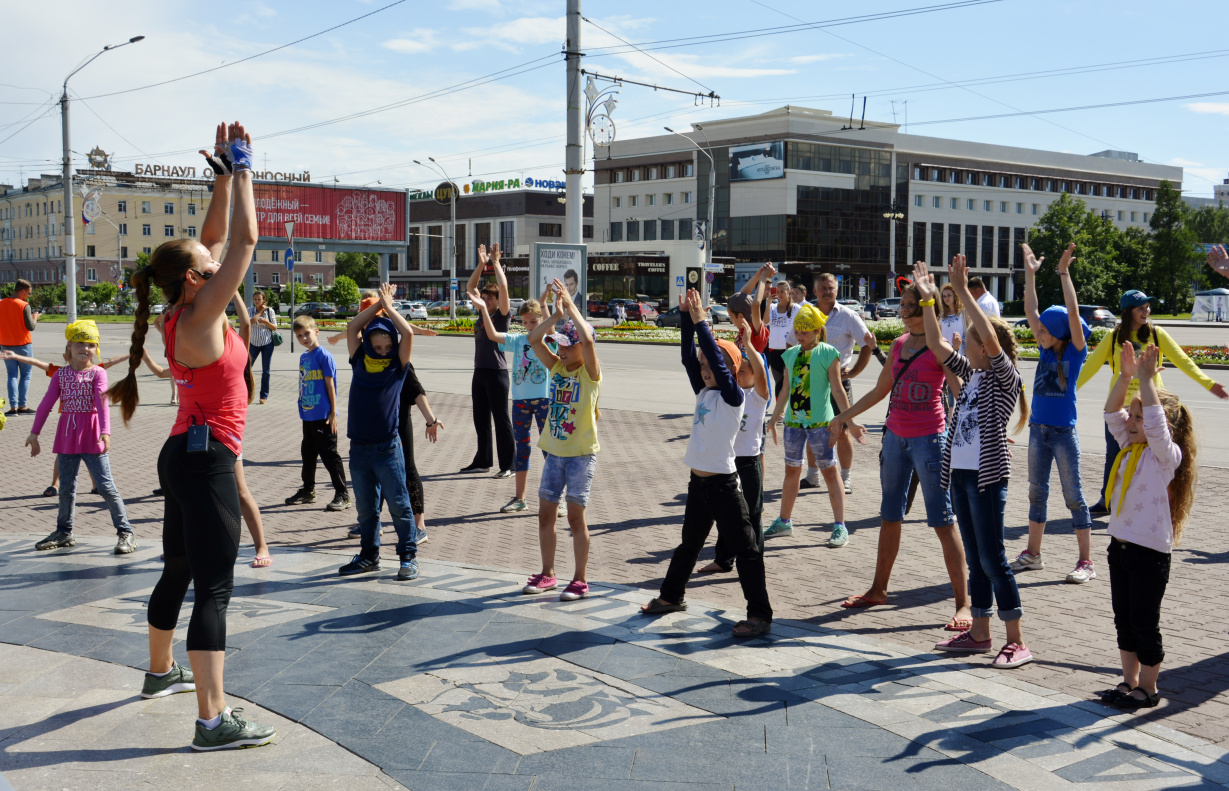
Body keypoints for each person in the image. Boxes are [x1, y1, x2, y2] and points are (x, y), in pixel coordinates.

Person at [107, 121, 276, 750]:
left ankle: (160, 674)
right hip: (205, 463)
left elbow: (212, 238)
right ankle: (213, 721)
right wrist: (249, 167)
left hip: (181, 455)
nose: (214, 258)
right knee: (214, 587)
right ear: (196, 279)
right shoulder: (202, 312)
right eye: (207, 264)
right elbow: (245, 239)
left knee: (178, 568)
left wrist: (223, 179)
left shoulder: (179, 309)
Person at [829, 282, 973, 632]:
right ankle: (878, 590)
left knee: (943, 520)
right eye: (903, 305)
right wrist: (843, 417)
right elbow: (881, 390)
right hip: (895, 439)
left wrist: (972, 439)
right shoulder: (897, 345)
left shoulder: (939, 349)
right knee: (890, 515)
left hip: (930, 441)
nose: (903, 311)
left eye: (911, 305)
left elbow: (961, 396)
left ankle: (964, 603)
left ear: (929, 309)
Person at [915, 259, 1033, 668]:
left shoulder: (1004, 377)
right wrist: (929, 300)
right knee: (979, 557)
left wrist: (964, 292)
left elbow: (990, 339)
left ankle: (1016, 640)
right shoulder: (971, 376)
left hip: (987, 480)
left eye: (970, 341)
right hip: (962, 478)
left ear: (987, 347)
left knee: (994, 558)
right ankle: (981, 633)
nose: (963, 345)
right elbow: (936, 345)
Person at [641, 289, 773, 637]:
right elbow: (689, 358)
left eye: (710, 365)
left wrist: (702, 323)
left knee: (746, 549)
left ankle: (760, 615)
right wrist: (686, 317)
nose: (704, 370)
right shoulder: (705, 392)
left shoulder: (733, 398)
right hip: (699, 483)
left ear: (730, 369)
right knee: (689, 543)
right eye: (702, 367)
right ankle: (671, 596)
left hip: (724, 485)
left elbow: (715, 359)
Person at [140, 292, 272, 569]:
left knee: (240, 491)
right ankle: (181, 545)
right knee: (188, 492)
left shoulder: (234, 355)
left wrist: (231, 291)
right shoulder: (196, 353)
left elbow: (246, 325)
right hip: (193, 433)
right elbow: (161, 341)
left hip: (223, 437)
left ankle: (261, 545)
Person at [1097, 343, 1196, 708]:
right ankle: (1129, 681)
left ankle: (1149, 689)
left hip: (1149, 553)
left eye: (1137, 418)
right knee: (1123, 619)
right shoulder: (1129, 446)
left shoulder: (1164, 456)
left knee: (1144, 622)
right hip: (1119, 547)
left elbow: (1154, 424)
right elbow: (1111, 413)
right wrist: (1125, 378)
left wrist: (1146, 381)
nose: (1131, 422)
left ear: (1163, 427)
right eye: (1133, 418)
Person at [1078, 288, 1227, 516]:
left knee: (1155, 456)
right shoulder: (1113, 338)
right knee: (1114, 456)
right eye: (1141, 307)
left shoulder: (1157, 335)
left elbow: (1184, 361)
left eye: (1148, 306)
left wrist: (1208, 383)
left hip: (1150, 407)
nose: (1147, 311)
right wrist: (1068, 392)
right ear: (1128, 311)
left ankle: (1158, 501)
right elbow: (1089, 367)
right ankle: (1107, 500)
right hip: (1120, 408)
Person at [1010, 244, 1095, 583]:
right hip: (1038, 431)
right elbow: (1031, 309)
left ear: (1059, 334)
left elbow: (1074, 315)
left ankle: (1085, 562)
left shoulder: (1073, 353)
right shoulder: (1047, 349)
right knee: (1036, 492)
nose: (1038, 332)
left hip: (1062, 433)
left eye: (1044, 330)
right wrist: (1030, 275)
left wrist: (1063, 273)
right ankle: (1033, 555)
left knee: (1074, 496)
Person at [25, 320, 135, 554]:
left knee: (106, 487)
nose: (85, 349)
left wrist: (106, 432)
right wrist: (34, 433)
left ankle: (126, 533)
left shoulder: (98, 373)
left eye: (90, 344)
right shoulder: (61, 375)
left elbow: (102, 403)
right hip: (67, 436)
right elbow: (45, 404)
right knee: (66, 488)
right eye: (79, 344)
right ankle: (64, 532)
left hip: (93, 435)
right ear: (69, 347)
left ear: (96, 348)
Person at [522, 281, 600, 602]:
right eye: (560, 345)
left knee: (575, 517)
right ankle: (548, 574)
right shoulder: (556, 368)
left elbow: (589, 340)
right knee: (545, 514)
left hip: (580, 455)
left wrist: (572, 307)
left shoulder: (589, 374)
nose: (562, 349)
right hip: (553, 453)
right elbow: (532, 338)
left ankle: (580, 580)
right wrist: (556, 316)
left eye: (568, 345)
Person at [337, 284, 420, 581]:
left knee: (399, 505)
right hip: (359, 449)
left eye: (388, 346)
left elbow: (408, 334)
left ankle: (408, 556)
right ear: (368, 344)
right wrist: (377, 307)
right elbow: (352, 327)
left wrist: (390, 307)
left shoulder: (397, 366)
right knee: (366, 511)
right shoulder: (359, 360)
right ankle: (369, 556)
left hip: (387, 448)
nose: (383, 350)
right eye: (378, 346)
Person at [765, 303, 864, 546]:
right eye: (797, 331)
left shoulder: (829, 353)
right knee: (792, 471)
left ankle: (840, 526)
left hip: (821, 424)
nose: (800, 336)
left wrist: (849, 421)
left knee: (830, 472)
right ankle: (784, 521)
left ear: (818, 331)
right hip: (793, 425)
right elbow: (785, 391)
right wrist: (774, 417)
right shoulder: (790, 355)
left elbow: (839, 391)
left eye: (805, 332)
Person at [697, 311, 773, 574]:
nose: (738, 373)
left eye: (744, 369)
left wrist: (750, 344)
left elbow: (761, 369)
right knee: (726, 515)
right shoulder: (728, 395)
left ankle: (754, 561)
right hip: (726, 462)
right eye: (736, 370)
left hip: (748, 463)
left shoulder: (757, 396)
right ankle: (723, 559)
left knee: (752, 514)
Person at [471, 288, 555, 514]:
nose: (530, 326)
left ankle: (558, 499)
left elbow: (551, 326)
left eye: (534, 322)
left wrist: (544, 302)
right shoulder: (518, 340)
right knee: (523, 449)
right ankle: (520, 499)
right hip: (520, 403)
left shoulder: (548, 339)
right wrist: (483, 310)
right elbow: (493, 335)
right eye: (526, 322)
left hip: (543, 401)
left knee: (549, 449)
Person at [2, 346, 126, 497]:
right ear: (66, 355)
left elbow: (111, 362)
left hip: (89, 422)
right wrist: (15, 356)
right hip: (69, 423)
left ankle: (96, 486)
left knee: (91, 455)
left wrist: (133, 353)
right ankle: (55, 484)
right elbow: (37, 363)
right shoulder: (60, 373)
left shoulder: (94, 371)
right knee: (63, 455)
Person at [813, 272, 875, 495]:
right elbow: (793, 340)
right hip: (812, 382)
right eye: (823, 288)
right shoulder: (807, 313)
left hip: (839, 381)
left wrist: (856, 371)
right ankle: (812, 476)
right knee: (813, 428)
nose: (827, 291)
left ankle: (846, 478)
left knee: (843, 430)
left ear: (837, 290)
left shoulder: (848, 316)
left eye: (831, 287)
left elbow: (867, 343)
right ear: (815, 291)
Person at [283, 314, 350, 511]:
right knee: (308, 454)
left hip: (324, 416)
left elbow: (330, 384)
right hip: (308, 415)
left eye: (306, 333)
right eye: (299, 336)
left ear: (316, 332)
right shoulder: (304, 356)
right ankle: (308, 491)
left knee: (329, 455)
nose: (304, 338)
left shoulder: (324, 355)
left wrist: (332, 412)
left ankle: (342, 494)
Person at [461, 243, 514, 478]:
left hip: (497, 373)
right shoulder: (482, 312)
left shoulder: (501, 317)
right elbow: (469, 286)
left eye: (489, 298)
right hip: (480, 371)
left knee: (501, 420)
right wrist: (481, 265)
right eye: (483, 298)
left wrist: (495, 263)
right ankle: (483, 460)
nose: (485, 300)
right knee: (480, 419)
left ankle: (509, 465)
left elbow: (503, 286)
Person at [1, 278, 40, 415]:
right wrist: (35, 317)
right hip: (23, 345)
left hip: (5, 344)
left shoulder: (1, 303)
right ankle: (23, 406)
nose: (29, 296)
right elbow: (31, 326)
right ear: (22, 291)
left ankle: (13, 408)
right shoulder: (24, 305)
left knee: (11, 375)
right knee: (25, 376)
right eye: (28, 293)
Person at [765, 275, 800, 395]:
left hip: (790, 349)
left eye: (782, 292)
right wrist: (769, 301)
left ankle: (791, 407)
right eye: (777, 292)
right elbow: (765, 322)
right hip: (774, 348)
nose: (779, 294)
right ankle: (780, 412)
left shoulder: (796, 308)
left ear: (789, 291)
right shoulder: (773, 307)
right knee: (779, 381)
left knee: (790, 380)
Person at [247, 289, 277, 404]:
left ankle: (263, 396)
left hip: (267, 343)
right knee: (247, 368)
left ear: (264, 300)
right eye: (255, 299)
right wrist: (260, 312)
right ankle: (247, 393)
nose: (257, 301)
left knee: (266, 370)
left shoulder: (270, 311)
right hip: (253, 343)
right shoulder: (250, 310)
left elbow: (274, 327)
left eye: (259, 299)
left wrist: (266, 322)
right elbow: (250, 322)